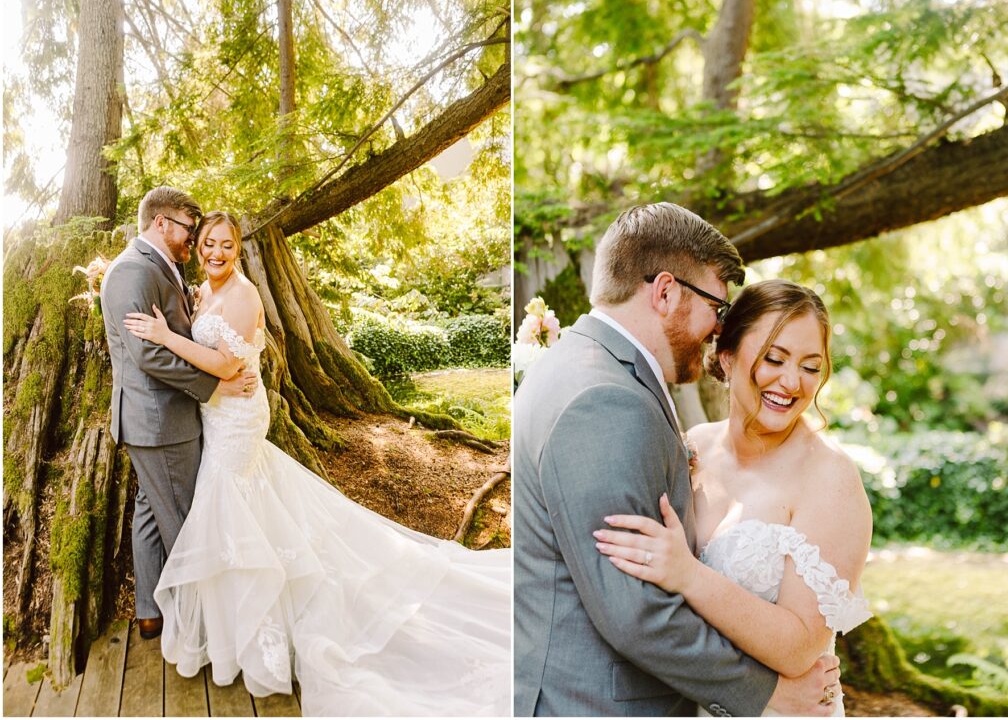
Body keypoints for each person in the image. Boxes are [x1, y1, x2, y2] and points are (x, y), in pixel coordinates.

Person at [122, 211, 510, 716]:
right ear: (197, 248)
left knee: (231, 515)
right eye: (208, 244)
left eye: (226, 245)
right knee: (245, 515)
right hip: (217, 414)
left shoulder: (242, 295)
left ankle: (257, 630)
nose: (216, 253)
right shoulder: (205, 291)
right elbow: (213, 352)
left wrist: (164, 335)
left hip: (235, 417)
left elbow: (225, 365)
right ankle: (243, 628)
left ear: (238, 249)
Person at [514, 202, 841, 717]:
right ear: (665, 292)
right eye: (716, 306)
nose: (718, 329)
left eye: (809, 365)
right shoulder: (608, 399)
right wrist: (769, 694)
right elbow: (635, 611)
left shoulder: (577, 364)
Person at [595, 280, 872, 717]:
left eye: (810, 366)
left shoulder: (830, 479)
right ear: (726, 356)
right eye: (774, 359)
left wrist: (688, 575)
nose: (791, 382)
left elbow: (800, 647)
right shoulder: (692, 449)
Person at [100, 187, 257, 642]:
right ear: (162, 223)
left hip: (161, 418)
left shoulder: (159, 265)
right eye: (191, 231)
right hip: (160, 421)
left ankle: (150, 612)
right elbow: (149, 356)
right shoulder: (132, 270)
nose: (195, 242)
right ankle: (202, 625)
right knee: (185, 521)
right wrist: (216, 387)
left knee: (152, 510)